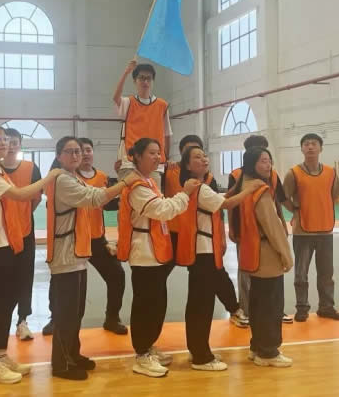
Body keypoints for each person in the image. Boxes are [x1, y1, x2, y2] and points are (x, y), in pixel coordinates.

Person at [0, 125, 62, 385]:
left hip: (5, 245)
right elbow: (20, 195)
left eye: (5, 139)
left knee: (7, 301)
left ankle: (0, 354)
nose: (3, 143)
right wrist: (50, 177)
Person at [45, 136, 140, 380]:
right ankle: (61, 364)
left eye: (78, 151)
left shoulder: (74, 178)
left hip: (78, 251)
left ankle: (72, 354)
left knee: (75, 311)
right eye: (70, 151)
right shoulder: (62, 180)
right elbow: (95, 198)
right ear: (59, 156)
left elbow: (98, 194)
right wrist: (125, 182)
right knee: (67, 312)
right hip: (66, 255)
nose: (76, 155)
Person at [174, 146, 265, 371]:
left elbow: (221, 197)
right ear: (187, 165)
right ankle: (201, 357)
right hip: (203, 253)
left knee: (198, 304)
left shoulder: (198, 187)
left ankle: (198, 350)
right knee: (201, 306)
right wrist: (249, 189)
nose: (204, 159)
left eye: (204, 155)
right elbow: (226, 204)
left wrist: (237, 187)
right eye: (197, 157)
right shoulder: (199, 188)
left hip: (202, 253)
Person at [116, 138, 197, 378]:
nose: (157, 157)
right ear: (137, 157)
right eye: (151, 153)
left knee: (157, 303)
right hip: (144, 254)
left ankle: (149, 345)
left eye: (158, 153)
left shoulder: (149, 181)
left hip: (156, 252)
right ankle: (141, 354)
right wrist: (185, 194)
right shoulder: (137, 187)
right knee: (145, 306)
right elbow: (162, 210)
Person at [228, 146, 294, 368]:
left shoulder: (243, 187)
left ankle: (257, 347)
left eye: (269, 160)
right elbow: (273, 227)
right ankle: (268, 352)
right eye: (263, 161)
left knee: (257, 304)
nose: (268, 165)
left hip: (252, 251)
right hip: (267, 254)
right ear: (252, 164)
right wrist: (286, 255)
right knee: (271, 305)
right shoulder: (260, 191)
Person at [283, 133, 339, 322]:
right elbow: (283, 197)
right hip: (303, 231)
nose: (310, 147)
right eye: (306, 144)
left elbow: (336, 196)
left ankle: (327, 307)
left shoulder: (331, 172)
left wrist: (322, 209)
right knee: (301, 274)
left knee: (326, 273)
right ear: (302, 149)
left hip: (325, 230)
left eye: (314, 144)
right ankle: (302, 308)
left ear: (320, 148)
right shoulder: (293, 173)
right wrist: (296, 210)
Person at [0, 128, 42, 341]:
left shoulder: (31, 168)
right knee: (4, 279)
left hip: (25, 230)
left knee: (25, 276)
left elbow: (35, 199)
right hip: (0, 233)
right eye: (7, 141)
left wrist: (21, 216)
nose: (10, 146)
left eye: (15, 142)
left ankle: (22, 321)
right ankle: (1, 321)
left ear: (20, 145)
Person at [113, 58, 172, 190]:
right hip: (130, 163)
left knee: (154, 200)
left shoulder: (162, 105)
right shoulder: (129, 102)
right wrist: (126, 72)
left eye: (148, 78)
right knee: (127, 198)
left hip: (154, 165)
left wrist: (166, 157)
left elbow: (167, 134)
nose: (145, 82)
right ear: (135, 81)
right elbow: (116, 98)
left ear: (152, 81)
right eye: (141, 78)